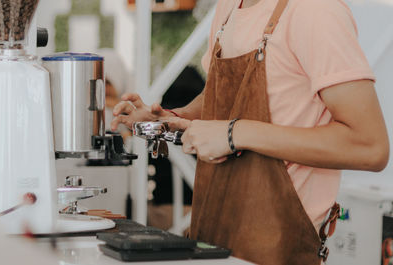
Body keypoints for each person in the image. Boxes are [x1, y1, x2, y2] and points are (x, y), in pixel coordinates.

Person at [111, 0, 389, 264]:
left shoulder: (314, 10)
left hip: (277, 243)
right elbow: (220, 95)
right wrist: (173, 117)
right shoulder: (230, 7)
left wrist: (236, 134)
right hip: (214, 230)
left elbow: (369, 146)